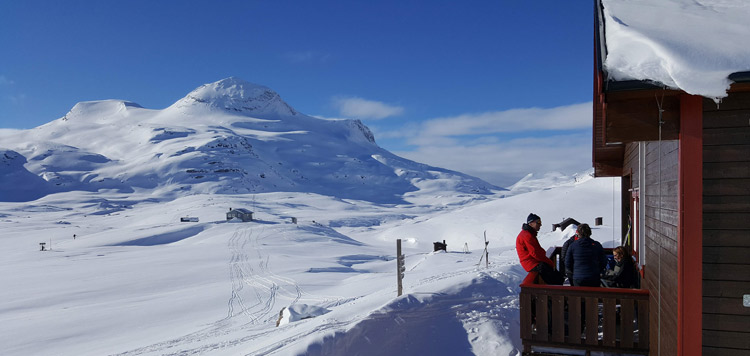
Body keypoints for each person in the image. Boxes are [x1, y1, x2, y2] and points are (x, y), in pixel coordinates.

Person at [516, 213, 564, 285]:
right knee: (556, 279)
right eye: (538, 222)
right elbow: (535, 253)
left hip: (533, 262)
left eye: (540, 222)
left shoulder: (528, 233)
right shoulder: (527, 235)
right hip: (531, 263)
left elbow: (537, 250)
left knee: (555, 277)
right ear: (531, 223)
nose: (540, 225)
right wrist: (548, 261)